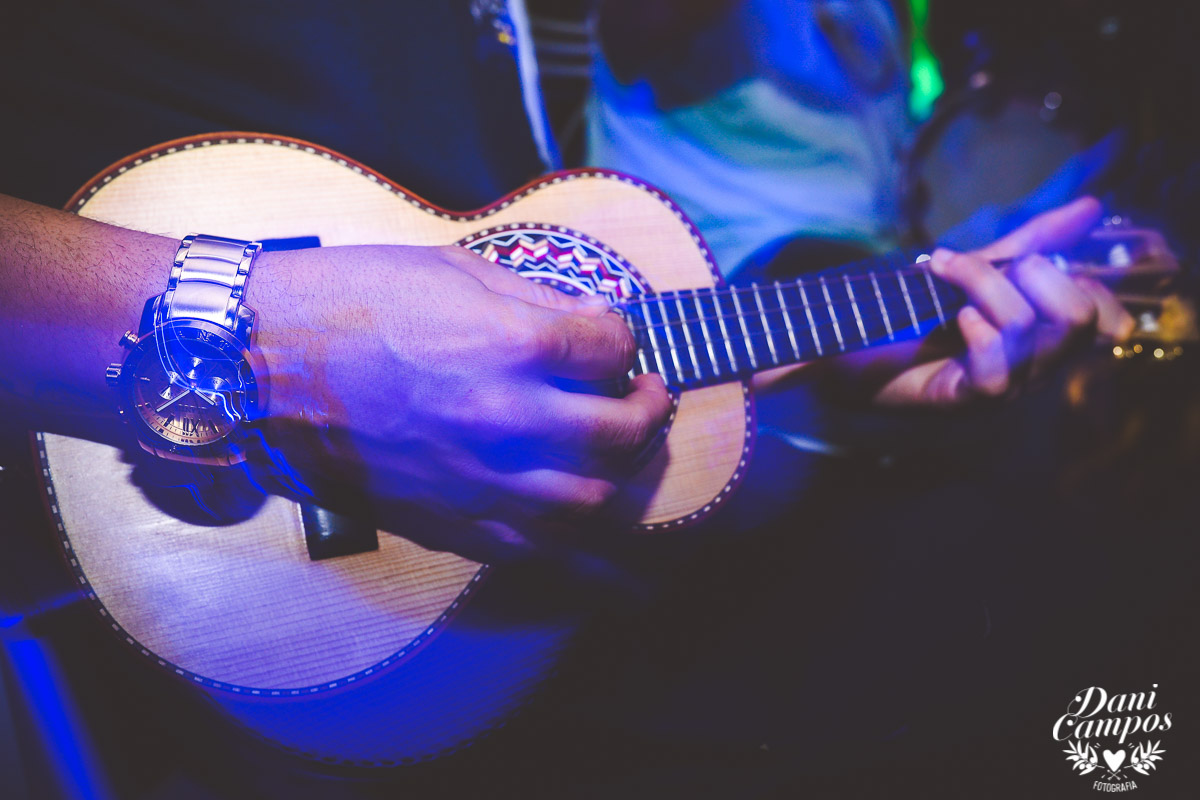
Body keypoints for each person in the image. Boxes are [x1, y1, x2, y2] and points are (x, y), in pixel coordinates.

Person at [0, 1, 1134, 796]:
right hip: (190, 587)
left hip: (498, 602)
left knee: (1047, 585)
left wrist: (807, 362)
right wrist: (276, 351)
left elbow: (533, 288)